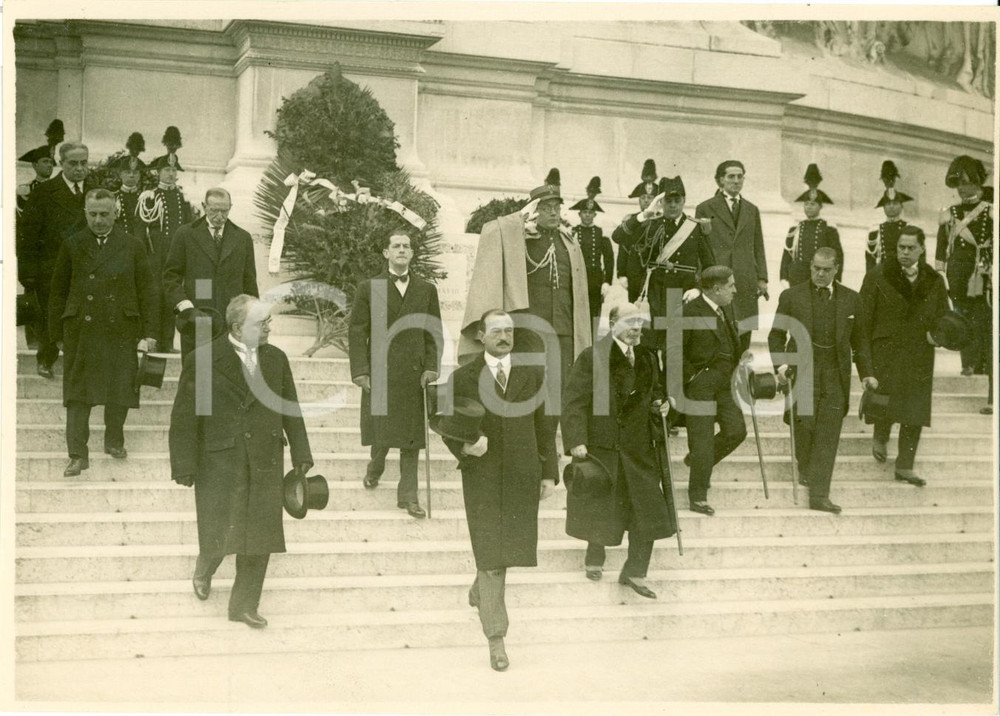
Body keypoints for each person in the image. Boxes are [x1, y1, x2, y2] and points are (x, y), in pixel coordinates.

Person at [169, 295, 313, 629]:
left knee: (259, 533)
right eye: (262, 323)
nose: (269, 328)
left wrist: (302, 455)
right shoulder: (203, 359)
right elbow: (185, 415)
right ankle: (206, 566)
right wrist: (184, 464)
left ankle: (244, 605)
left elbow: (290, 407)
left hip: (265, 456)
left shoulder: (276, 360)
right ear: (238, 326)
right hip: (220, 458)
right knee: (221, 525)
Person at [439, 309, 555, 671]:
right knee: (491, 555)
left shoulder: (533, 374)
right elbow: (444, 420)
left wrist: (549, 472)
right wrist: (463, 447)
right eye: (497, 331)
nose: (504, 337)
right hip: (483, 475)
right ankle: (496, 639)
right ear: (481, 336)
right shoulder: (463, 377)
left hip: (522, 472)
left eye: (509, 331)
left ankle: (478, 593)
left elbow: (545, 424)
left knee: (508, 549)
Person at [458, 181, 591, 483]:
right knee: (532, 391)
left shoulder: (568, 242)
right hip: (530, 329)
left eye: (557, 207)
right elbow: (497, 230)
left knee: (560, 391)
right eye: (546, 208)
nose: (554, 213)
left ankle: (557, 453)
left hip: (565, 328)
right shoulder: (520, 238)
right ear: (533, 211)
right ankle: (537, 453)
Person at [561, 302, 676, 596]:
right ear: (612, 324)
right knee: (601, 504)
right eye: (629, 321)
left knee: (647, 509)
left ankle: (636, 572)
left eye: (640, 322)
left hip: (639, 448)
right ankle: (594, 556)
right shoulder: (593, 356)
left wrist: (662, 406)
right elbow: (574, 401)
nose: (636, 328)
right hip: (604, 445)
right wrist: (575, 440)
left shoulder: (648, 357)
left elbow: (657, 394)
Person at [46, 189, 159, 476]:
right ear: (85, 213)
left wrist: (149, 332)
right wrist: (56, 332)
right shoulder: (72, 244)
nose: (98, 220)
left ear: (115, 212)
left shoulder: (132, 245)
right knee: (77, 394)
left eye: (104, 214)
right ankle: (77, 454)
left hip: (120, 328)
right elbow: (58, 292)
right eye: (93, 214)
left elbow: (147, 291)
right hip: (81, 331)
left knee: (119, 388)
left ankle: (114, 440)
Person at [348, 233, 442, 519]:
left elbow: (433, 332)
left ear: (412, 254)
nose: (401, 250)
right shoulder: (369, 287)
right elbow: (357, 331)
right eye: (396, 246)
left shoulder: (426, 289)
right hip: (380, 371)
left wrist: (431, 366)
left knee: (411, 437)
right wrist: (361, 371)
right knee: (382, 430)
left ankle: (409, 497)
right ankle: (375, 467)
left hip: (414, 374)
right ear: (386, 253)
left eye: (406, 246)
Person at [768, 247, 866, 514]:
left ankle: (820, 495)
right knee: (805, 425)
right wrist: (782, 365)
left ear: (837, 269)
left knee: (828, 432)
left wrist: (867, 373)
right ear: (810, 267)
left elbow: (860, 341)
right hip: (802, 371)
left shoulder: (851, 299)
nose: (820, 274)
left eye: (826, 270)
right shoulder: (791, 296)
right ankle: (805, 465)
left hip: (835, 372)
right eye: (816, 269)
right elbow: (776, 335)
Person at [858, 227, 949, 487]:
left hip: (919, 352)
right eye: (901, 247)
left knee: (915, 409)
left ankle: (905, 466)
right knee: (884, 398)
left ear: (922, 248)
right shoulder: (878, 275)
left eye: (911, 248)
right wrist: (865, 360)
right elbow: (863, 319)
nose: (905, 253)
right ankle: (880, 434)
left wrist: (938, 335)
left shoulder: (934, 280)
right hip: (886, 350)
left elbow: (943, 315)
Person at [666, 265, 747, 516]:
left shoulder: (725, 309)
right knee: (701, 442)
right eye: (730, 286)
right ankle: (698, 496)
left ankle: (699, 462)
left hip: (725, 384)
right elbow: (673, 351)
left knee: (737, 431)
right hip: (700, 386)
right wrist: (693, 377)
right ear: (716, 289)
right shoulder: (688, 312)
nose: (734, 290)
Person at [18, 142, 95, 379]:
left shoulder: (95, 193)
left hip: (86, 267)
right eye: (73, 163)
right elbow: (27, 237)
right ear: (61, 164)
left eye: (84, 163)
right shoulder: (44, 192)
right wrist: (28, 274)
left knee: (85, 314)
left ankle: (81, 364)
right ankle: (46, 359)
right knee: (49, 316)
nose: (80, 168)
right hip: (51, 267)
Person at [613, 175, 714, 354]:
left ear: (684, 201)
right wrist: (645, 214)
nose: (673, 205)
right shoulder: (649, 224)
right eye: (668, 201)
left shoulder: (694, 228)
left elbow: (709, 266)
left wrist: (698, 288)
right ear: (660, 202)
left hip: (683, 294)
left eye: (677, 200)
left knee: (676, 348)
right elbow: (618, 237)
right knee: (648, 345)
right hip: (654, 294)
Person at [163, 187, 259, 356]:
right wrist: (183, 305)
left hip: (231, 319)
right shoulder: (185, 234)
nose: (219, 216)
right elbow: (171, 276)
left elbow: (249, 281)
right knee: (200, 373)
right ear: (204, 206)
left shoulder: (242, 238)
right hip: (197, 317)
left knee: (229, 374)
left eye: (225, 211)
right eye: (214, 210)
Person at [935, 155, 993, 401]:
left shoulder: (990, 211)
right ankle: (968, 363)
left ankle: (982, 366)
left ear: (978, 183)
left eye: (966, 182)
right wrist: (940, 273)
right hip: (957, 273)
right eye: (957, 182)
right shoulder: (950, 213)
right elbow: (941, 246)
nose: (961, 188)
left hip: (981, 272)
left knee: (982, 319)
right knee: (961, 317)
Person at [695, 160, 768, 353]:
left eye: (740, 176)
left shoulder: (752, 209)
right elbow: (700, 246)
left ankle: (740, 378)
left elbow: (758, 245)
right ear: (720, 180)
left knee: (744, 332)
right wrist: (701, 279)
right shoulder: (705, 208)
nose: (736, 181)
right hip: (718, 278)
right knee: (719, 331)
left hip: (745, 279)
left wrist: (762, 278)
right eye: (731, 177)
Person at [138, 153, 194, 352]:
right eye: (166, 170)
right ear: (158, 172)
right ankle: (153, 339)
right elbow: (142, 230)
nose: (170, 174)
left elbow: (189, 227)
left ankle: (168, 343)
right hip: (155, 256)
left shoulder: (182, 198)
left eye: (173, 170)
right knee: (154, 296)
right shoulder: (149, 196)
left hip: (176, 256)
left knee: (172, 297)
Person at [779, 164, 843, 288]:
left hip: (820, 275)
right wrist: (784, 276)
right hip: (797, 277)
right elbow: (787, 254)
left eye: (813, 204)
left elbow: (838, 254)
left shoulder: (828, 229)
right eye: (806, 204)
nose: (809, 207)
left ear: (820, 206)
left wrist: (836, 277)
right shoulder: (795, 229)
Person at [569, 177, 614, 326]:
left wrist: (607, 281)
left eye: (590, 212)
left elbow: (609, 258)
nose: (587, 215)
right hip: (577, 278)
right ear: (579, 214)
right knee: (576, 314)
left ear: (595, 214)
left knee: (595, 315)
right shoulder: (572, 232)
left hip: (595, 280)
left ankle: (593, 346)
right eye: (584, 212)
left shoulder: (601, 233)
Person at [866, 160, 915, 273]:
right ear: (883, 207)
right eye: (888, 204)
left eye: (895, 203)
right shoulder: (875, 231)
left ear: (901, 206)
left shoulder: (910, 229)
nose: (892, 207)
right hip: (882, 275)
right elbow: (870, 263)